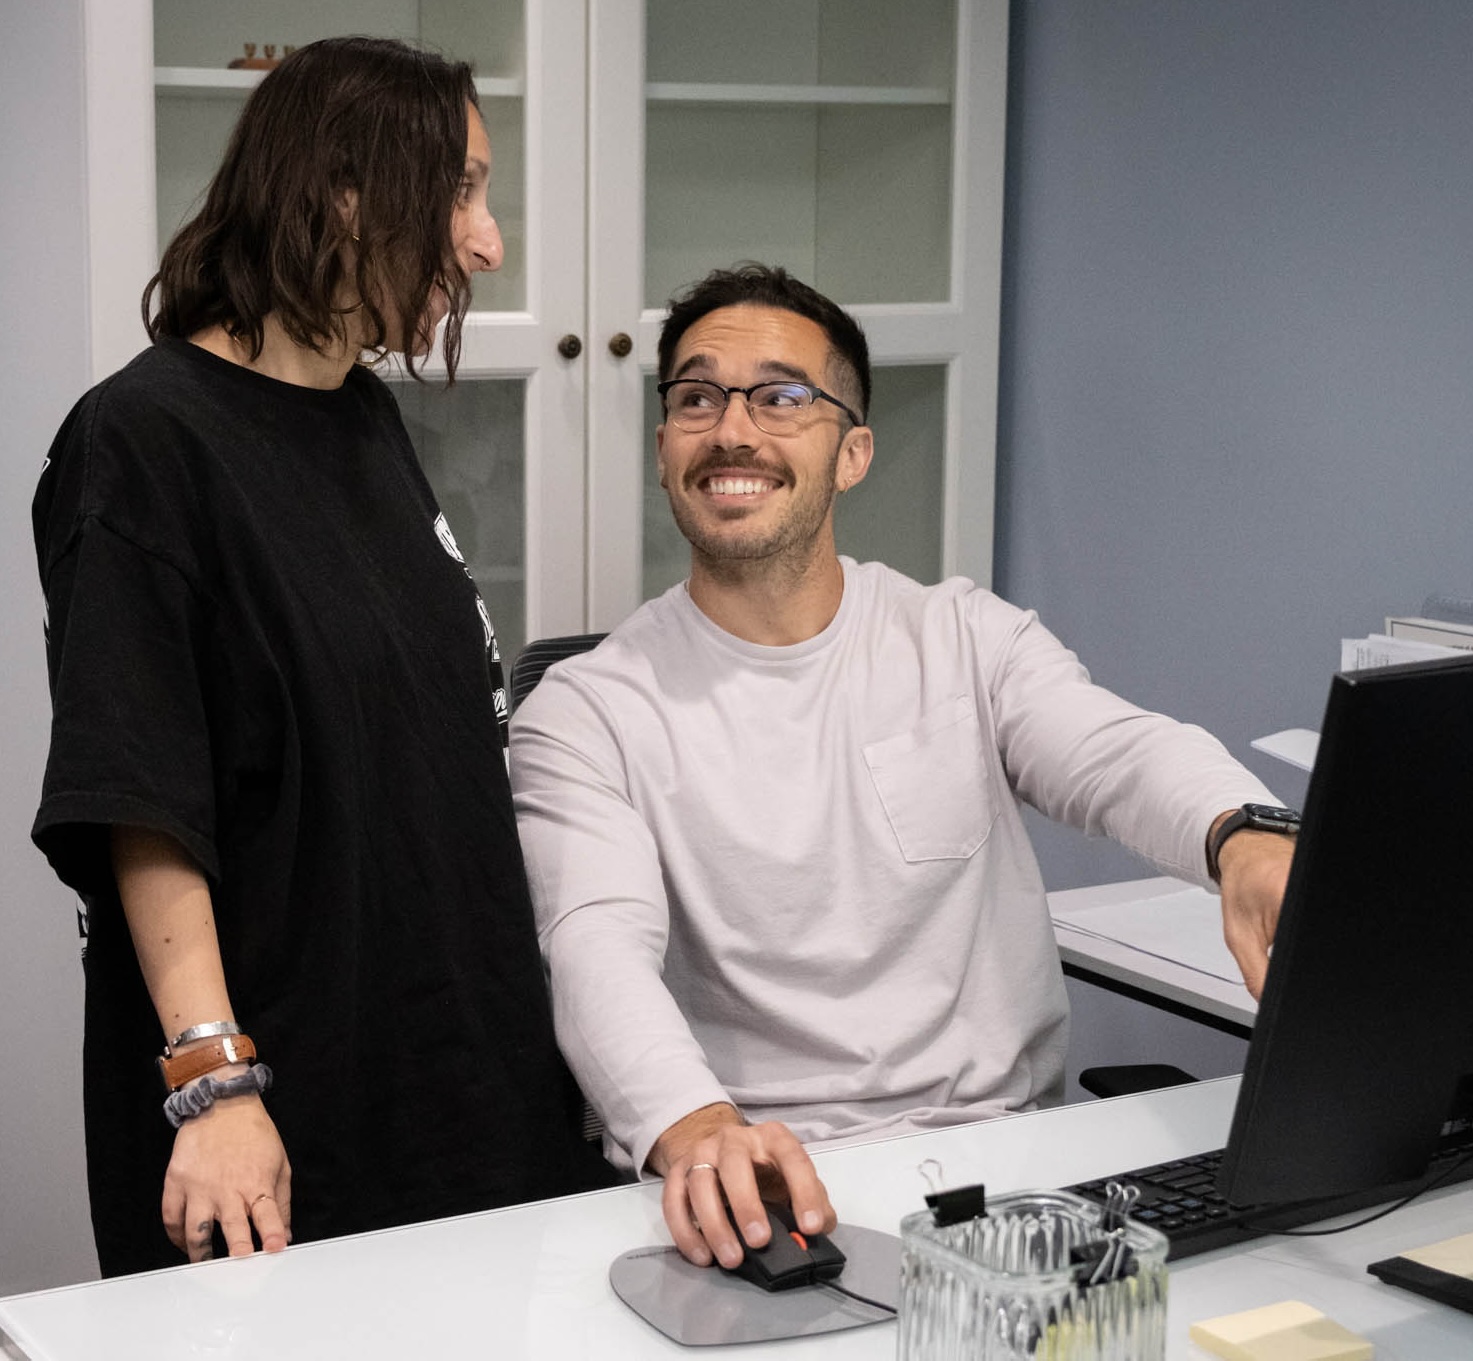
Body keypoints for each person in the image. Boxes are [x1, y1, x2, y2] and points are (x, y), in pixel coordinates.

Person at [509, 263, 1296, 1272]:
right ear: (665, 447)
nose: (732, 430)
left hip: (1009, 1172)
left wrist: (1245, 836)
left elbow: (1120, 751)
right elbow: (594, 949)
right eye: (697, 397)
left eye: (784, 397)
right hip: (771, 1193)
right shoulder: (588, 710)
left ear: (853, 453)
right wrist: (694, 1125)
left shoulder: (962, 637)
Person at [31, 36, 612, 1278]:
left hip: (454, 1079)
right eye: (459, 188)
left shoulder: (359, 411)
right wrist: (213, 1084)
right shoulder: (141, 441)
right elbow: (140, 796)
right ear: (343, 191)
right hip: (278, 1119)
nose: (487, 239)